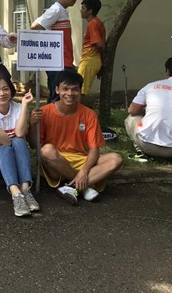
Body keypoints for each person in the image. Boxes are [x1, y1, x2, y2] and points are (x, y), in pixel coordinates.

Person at [29, 71, 123, 205]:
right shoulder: (44, 112)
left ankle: (72, 187)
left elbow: (94, 149)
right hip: (55, 163)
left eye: (74, 89)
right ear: (57, 90)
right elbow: (34, 145)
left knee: (116, 159)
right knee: (47, 150)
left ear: (79, 91)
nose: (70, 93)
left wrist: (84, 171)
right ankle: (84, 187)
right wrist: (33, 124)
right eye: (65, 89)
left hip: (81, 160)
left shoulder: (89, 114)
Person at [0, 73, 39, 216]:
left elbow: (20, 133)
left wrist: (24, 105)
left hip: (12, 164)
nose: (2, 94)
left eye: (5, 89)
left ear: (11, 90)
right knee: (5, 149)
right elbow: (5, 142)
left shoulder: (18, 108)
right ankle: (16, 195)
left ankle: (25, 190)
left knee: (19, 141)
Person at [125, 57, 172, 159]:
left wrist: (146, 110)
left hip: (146, 146)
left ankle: (141, 152)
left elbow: (132, 110)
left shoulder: (151, 86)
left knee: (131, 118)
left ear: (167, 71)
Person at [31, 0, 80, 103]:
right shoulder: (56, 10)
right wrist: (48, 44)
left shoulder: (62, 11)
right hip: (58, 63)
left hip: (64, 62)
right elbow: (35, 26)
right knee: (57, 99)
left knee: (64, 99)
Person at [77, 0, 106, 101]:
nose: (81, 10)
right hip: (90, 59)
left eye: (83, 8)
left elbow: (99, 44)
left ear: (90, 11)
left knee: (79, 90)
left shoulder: (93, 23)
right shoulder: (95, 22)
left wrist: (98, 60)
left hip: (89, 60)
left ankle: (78, 111)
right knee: (78, 89)